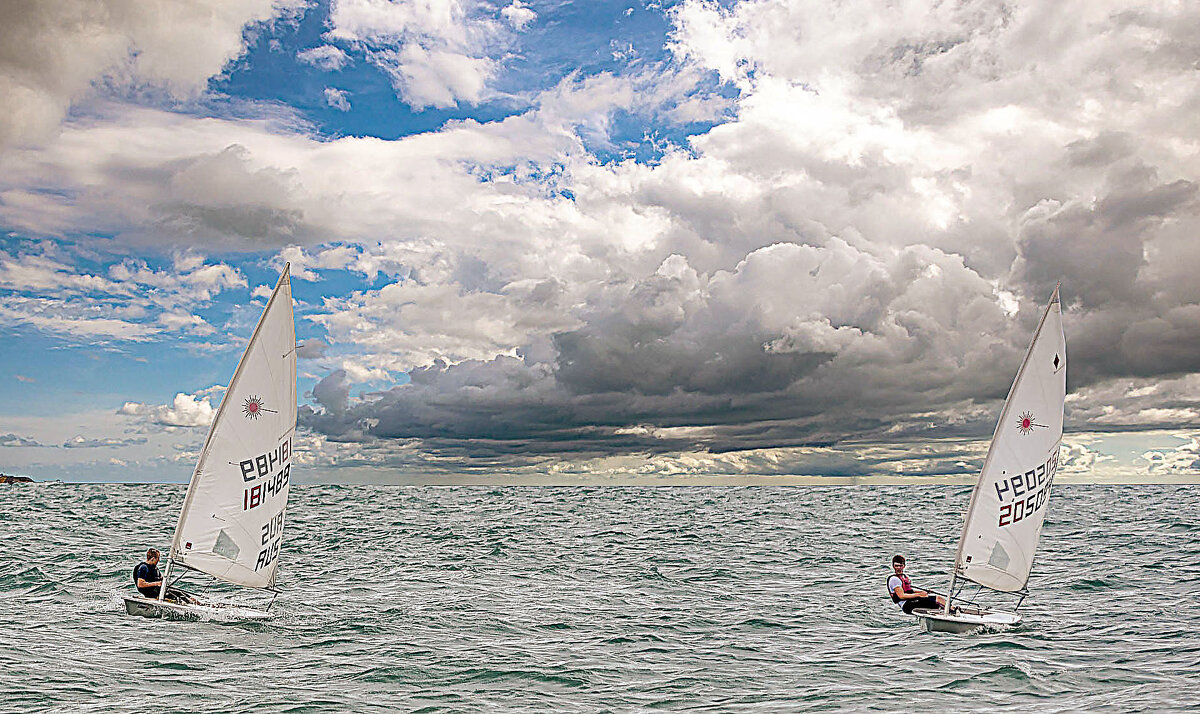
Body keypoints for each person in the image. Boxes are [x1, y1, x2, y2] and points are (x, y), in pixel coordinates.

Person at [133, 548, 198, 604]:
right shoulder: (143, 567)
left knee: (181, 594)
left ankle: (199, 604)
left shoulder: (154, 568)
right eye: (158, 558)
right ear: (153, 558)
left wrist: (164, 580)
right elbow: (140, 584)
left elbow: (159, 578)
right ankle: (190, 607)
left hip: (159, 591)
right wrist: (157, 583)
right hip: (152, 593)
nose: (159, 560)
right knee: (176, 598)